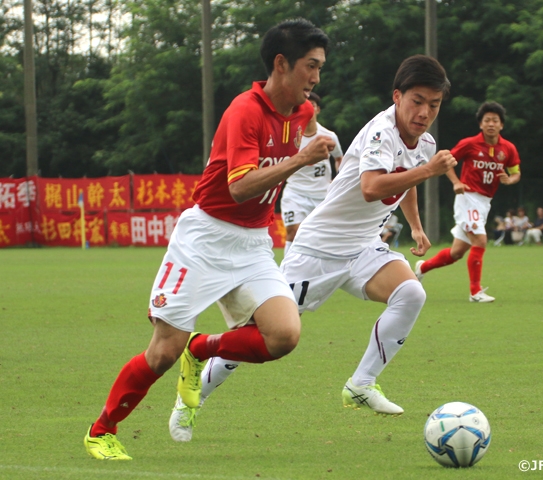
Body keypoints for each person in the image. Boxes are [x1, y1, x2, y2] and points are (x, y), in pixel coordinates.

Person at [168, 54, 458, 442]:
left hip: (362, 248)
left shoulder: (425, 143)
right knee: (259, 335)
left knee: (410, 293)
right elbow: (373, 187)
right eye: (417, 101)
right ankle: (191, 399)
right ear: (397, 96)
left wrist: (417, 226)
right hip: (317, 251)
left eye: (434, 105)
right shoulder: (381, 133)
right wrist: (429, 170)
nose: (424, 112)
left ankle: (361, 384)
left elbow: (405, 183)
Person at [83, 19, 335, 460]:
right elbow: (239, 187)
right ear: (281, 64)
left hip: (254, 242)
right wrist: (299, 160)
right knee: (163, 351)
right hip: (204, 239)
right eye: (310, 67)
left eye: (320, 68)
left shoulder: (304, 112)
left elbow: (316, 139)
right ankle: (101, 431)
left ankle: (202, 348)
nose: (316, 78)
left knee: (284, 336)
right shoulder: (245, 111)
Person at [414, 101, 521, 302]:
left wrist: (510, 179)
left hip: (485, 203)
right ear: (480, 124)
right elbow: (446, 162)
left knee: (457, 253)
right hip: (468, 198)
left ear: (501, 125)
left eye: (495, 121)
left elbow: (516, 172)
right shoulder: (470, 143)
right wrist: (456, 182)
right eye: (487, 120)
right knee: (480, 240)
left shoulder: (507, 148)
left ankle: (422, 267)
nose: (491, 124)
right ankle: (475, 292)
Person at [281, 92, 343, 255]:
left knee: (324, 238)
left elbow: (339, 158)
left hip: (322, 196)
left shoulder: (329, 137)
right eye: (304, 105)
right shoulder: (290, 137)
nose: (308, 107)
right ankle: (287, 274)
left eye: (312, 105)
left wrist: (337, 180)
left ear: (318, 110)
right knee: (293, 232)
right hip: (295, 193)